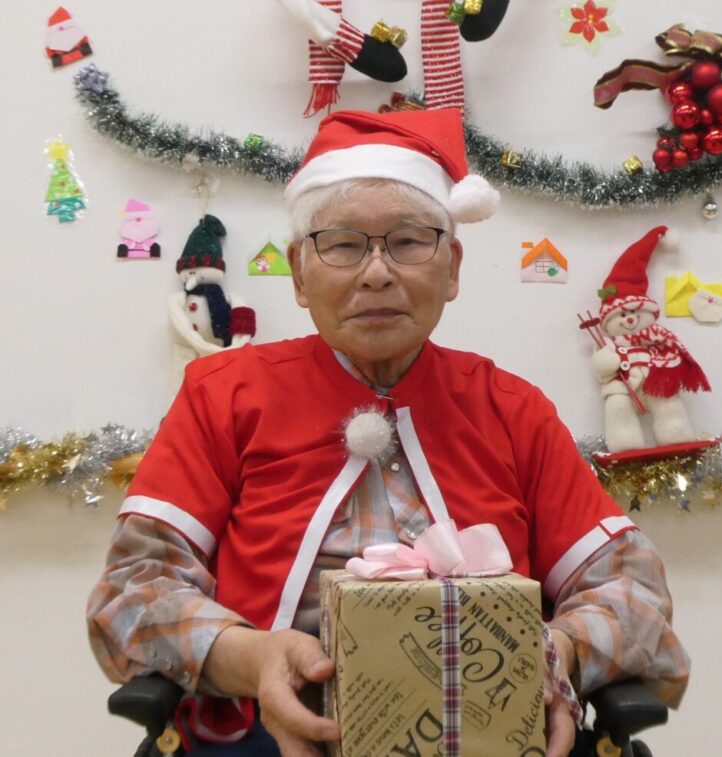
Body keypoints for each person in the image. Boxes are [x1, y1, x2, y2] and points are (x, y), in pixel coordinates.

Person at [87, 108, 690, 757]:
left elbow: (634, 592)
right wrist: (254, 659)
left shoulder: (513, 410)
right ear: (298, 272)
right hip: (269, 726)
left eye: (407, 241)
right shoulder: (223, 393)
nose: (377, 272)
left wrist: (556, 651)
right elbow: (132, 593)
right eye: (344, 245)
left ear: (452, 267)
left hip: (486, 727)